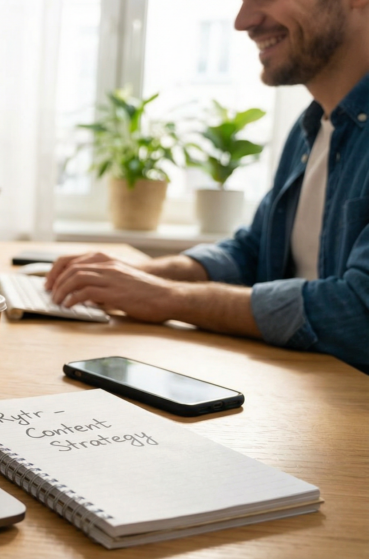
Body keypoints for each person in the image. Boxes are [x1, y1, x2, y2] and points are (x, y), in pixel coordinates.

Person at [46, 0, 369, 374]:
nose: (243, 20)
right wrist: (139, 274)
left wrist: (169, 298)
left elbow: (360, 311)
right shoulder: (309, 129)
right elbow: (253, 252)